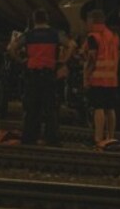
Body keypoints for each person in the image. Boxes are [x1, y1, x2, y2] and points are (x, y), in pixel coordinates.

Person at [7, 8, 76, 146]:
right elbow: (72, 45)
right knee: (50, 108)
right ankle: (52, 139)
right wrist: (64, 60)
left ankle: (29, 138)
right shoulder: (55, 34)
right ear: (47, 20)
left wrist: (21, 60)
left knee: (32, 108)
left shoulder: (29, 35)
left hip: (32, 75)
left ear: (34, 20)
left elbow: (11, 48)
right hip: (49, 75)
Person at [82, 9, 120, 148]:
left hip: (97, 78)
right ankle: (111, 137)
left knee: (98, 108)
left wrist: (87, 76)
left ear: (92, 21)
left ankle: (98, 138)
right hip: (112, 79)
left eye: (87, 21)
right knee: (110, 108)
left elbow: (92, 57)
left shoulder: (93, 37)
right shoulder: (113, 36)